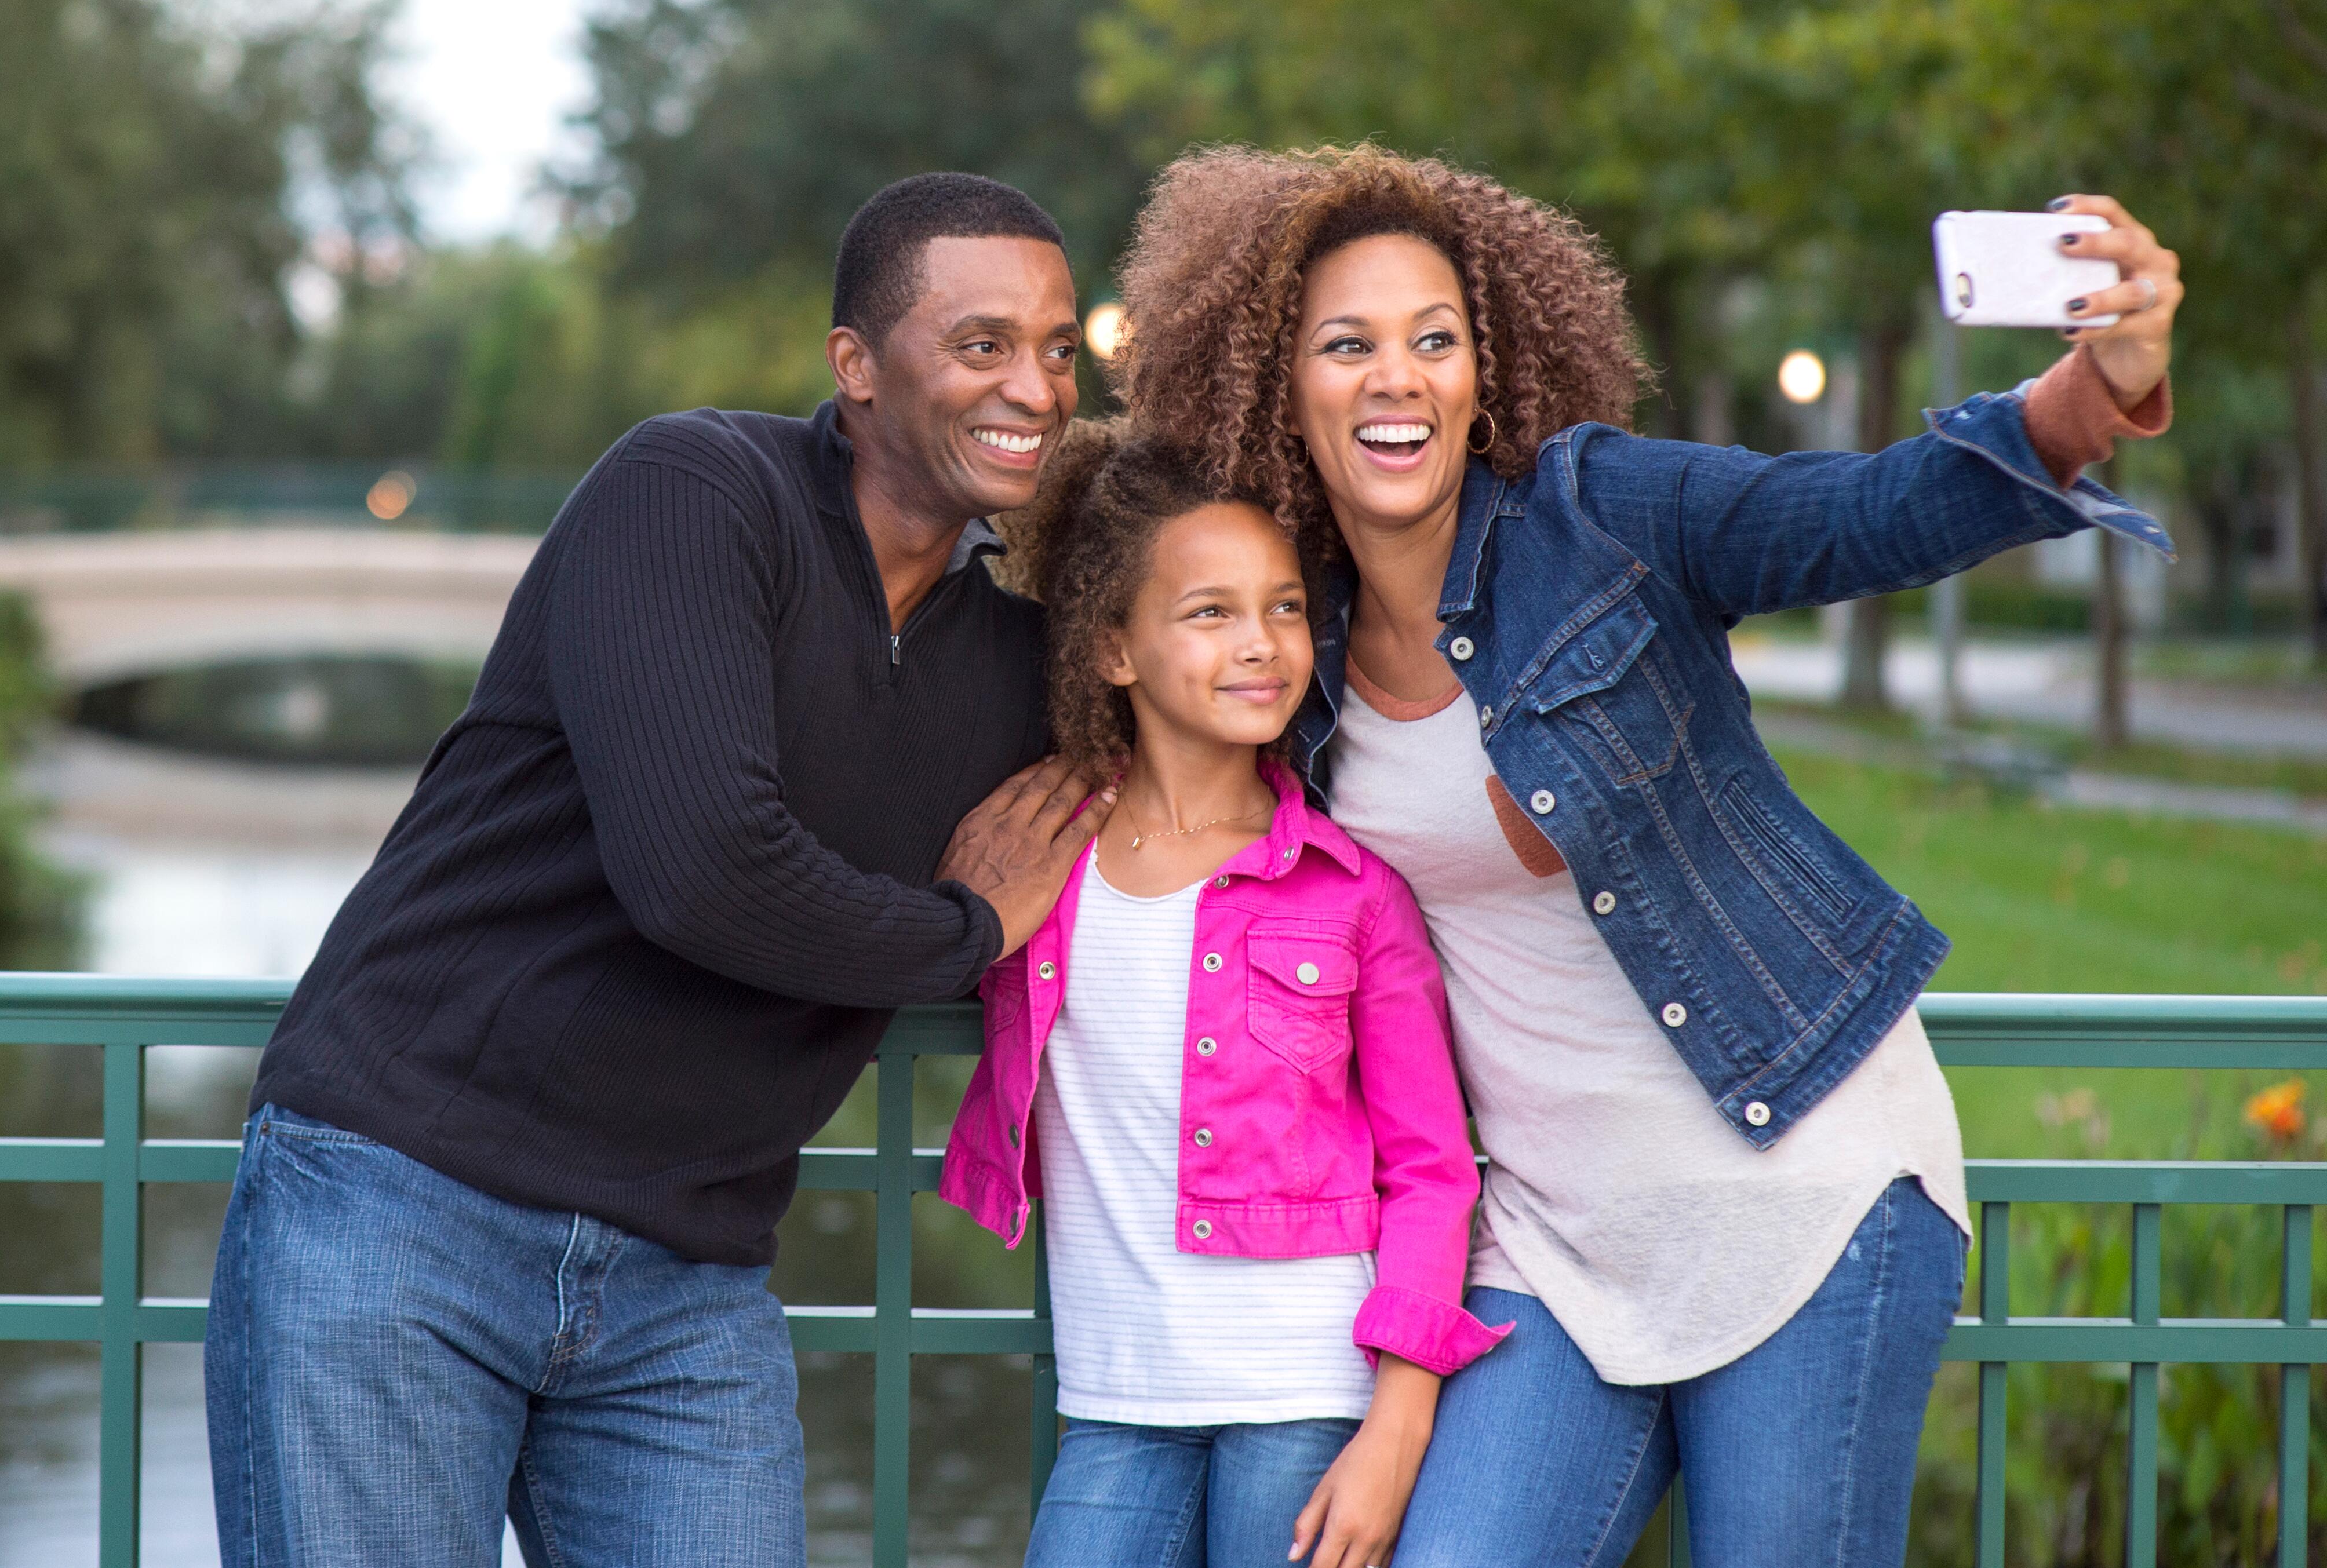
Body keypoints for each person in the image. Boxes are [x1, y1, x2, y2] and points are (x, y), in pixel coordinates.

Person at [1111, 145, 2179, 1567]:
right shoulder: (1289, 651)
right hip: (1547, 1251)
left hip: (1800, 1188)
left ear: (1481, 373)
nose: (1395, 377)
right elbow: (1135, 710)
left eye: (1434, 340)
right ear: (1276, 386)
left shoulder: (1599, 514)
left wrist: (2087, 395)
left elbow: (1859, 514)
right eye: (1347, 344)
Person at [205, 172, 1112, 1568]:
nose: (1036, 388)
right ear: (855, 367)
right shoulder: (693, 494)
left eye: (1060, 349)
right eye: (981, 343)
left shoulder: (1010, 663)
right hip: (402, 1199)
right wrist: (966, 931)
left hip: (687, 1274)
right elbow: (700, 874)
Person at [939, 422, 1502, 1568]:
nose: (1261, 645)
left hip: (1306, 1400)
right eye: (1210, 613)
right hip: (1110, 1402)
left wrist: (1396, 1424)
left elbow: (1432, 1171)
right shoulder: (1037, 862)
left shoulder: (1352, 893)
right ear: (1111, 650)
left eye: (1284, 608)